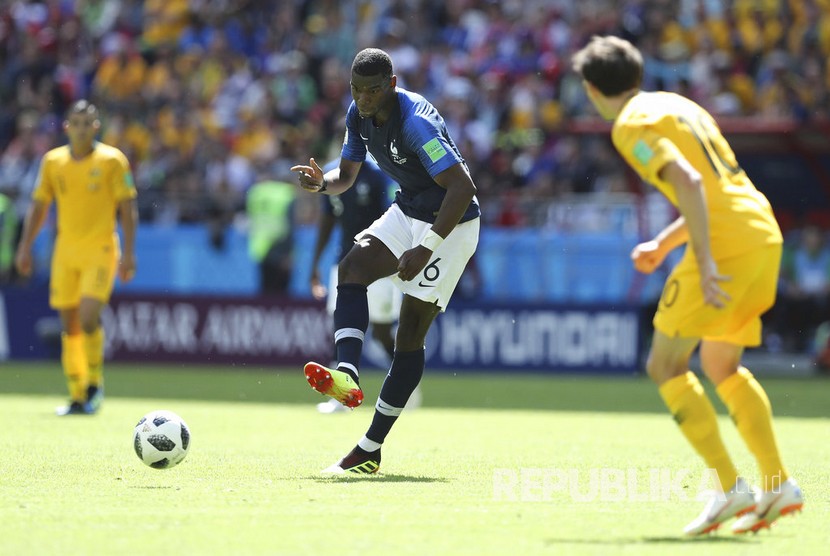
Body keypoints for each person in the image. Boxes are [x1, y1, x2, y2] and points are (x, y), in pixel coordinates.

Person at [572, 36, 803, 536]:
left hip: (725, 247)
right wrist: (664, 241)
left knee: (664, 364)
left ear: (591, 89)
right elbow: (711, 186)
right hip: (761, 233)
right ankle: (777, 483)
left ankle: (727, 486)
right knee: (722, 365)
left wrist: (702, 257)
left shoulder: (630, 124)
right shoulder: (677, 105)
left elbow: (690, 185)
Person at [291, 48, 479, 473]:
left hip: (453, 224)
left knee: (409, 333)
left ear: (391, 85)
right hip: (409, 210)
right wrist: (323, 186)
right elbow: (347, 176)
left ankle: (370, 447)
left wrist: (427, 246)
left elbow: (462, 188)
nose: (363, 99)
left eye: (372, 91)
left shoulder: (415, 124)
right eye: (357, 90)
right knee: (352, 268)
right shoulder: (357, 116)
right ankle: (347, 374)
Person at [14, 100, 138, 415]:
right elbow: (39, 206)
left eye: (88, 123)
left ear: (97, 127)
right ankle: (77, 394)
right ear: (67, 127)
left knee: (87, 317)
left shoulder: (113, 160)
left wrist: (130, 254)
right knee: (69, 326)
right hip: (65, 252)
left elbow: (127, 207)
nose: (82, 129)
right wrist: (25, 246)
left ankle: (95, 384)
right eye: (76, 123)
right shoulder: (53, 162)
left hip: (100, 249)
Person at [310, 158, 411, 414]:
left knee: (381, 332)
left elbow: (393, 217)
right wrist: (315, 263)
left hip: (375, 264)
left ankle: (406, 383)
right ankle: (341, 393)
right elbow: (327, 219)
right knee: (340, 323)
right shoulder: (332, 174)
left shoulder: (379, 175)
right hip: (343, 263)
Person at [246, 175, 295, 295]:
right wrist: (287, 252)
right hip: (280, 247)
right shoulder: (287, 194)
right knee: (281, 294)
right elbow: (290, 225)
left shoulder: (255, 192)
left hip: (260, 247)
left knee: (265, 291)